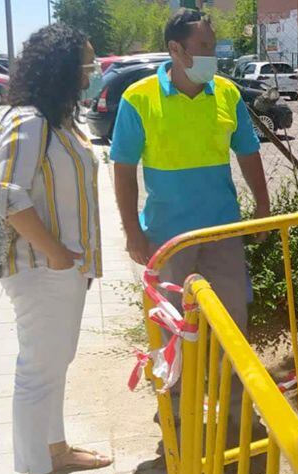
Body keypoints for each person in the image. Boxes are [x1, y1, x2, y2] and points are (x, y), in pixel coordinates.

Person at [0, 24, 110, 474]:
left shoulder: (60, 120)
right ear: (62, 67)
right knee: (38, 370)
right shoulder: (30, 119)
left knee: (55, 364)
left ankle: (55, 449)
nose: (93, 68)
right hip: (42, 269)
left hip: (67, 269)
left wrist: (73, 262)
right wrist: (57, 254)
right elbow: (7, 193)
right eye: (86, 59)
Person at [112, 8, 269, 331]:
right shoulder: (138, 98)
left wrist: (262, 208)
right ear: (175, 49)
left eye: (213, 46)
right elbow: (124, 171)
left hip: (222, 230)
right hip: (169, 237)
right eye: (204, 47)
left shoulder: (227, 93)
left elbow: (249, 153)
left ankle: (230, 383)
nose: (212, 55)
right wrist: (132, 232)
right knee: (173, 324)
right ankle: (178, 384)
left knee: (231, 322)